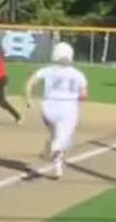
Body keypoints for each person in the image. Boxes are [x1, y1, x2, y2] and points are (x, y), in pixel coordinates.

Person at [25, 41, 89, 180]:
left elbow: (31, 82)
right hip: (68, 108)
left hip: (48, 107)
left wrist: (28, 99)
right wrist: (74, 95)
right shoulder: (78, 74)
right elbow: (84, 96)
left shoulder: (47, 70)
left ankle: (57, 166)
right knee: (64, 139)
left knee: (56, 134)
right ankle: (54, 149)